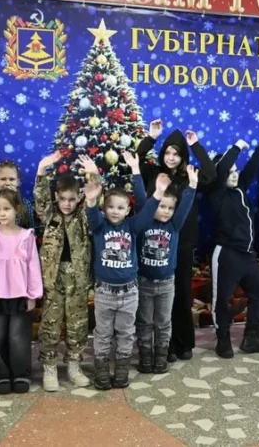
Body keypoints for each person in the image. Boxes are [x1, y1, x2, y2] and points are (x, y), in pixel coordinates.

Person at [136, 121, 217, 362]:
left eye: (176, 153)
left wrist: (196, 145)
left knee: (181, 293)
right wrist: (151, 138)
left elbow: (211, 175)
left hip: (182, 244)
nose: (171, 158)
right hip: (154, 244)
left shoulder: (188, 175)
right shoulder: (154, 173)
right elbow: (135, 160)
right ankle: (165, 344)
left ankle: (184, 342)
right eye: (168, 153)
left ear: (182, 156)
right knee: (159, 298)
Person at [84, 157, 157, 390]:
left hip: (129, 293)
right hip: (105, 292)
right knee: (103, 333)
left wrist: (157, 194)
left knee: (126, 333)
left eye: (120, 207)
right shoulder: (100, 226)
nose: (115, 211)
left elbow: (148, 212)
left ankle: (122, 368)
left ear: (127, 210)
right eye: (111, 207)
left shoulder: (132, 226)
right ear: (104, 209)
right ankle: (102, 369)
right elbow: (92, 215)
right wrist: (91, 201)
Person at [208, 132, 259, 359]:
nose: (234, 174)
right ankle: (223, 338)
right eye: (230, 172)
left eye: (236, 171)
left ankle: (251, 337)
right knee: (222, 298)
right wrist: (237, 146)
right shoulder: (217, 195)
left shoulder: (240, 189)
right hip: (227, 254)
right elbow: (222, 168)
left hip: (246, 256)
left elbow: (252, 166)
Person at [0, 188, 43, 394]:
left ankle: (21, 373)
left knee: (18, 337)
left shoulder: (26, 236)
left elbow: (33, 266)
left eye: (6, 209)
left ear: (17, 209)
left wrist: (33, 294)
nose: (2, 213)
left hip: (20, 294)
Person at [34, 152, 93, 391]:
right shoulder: (50, 215)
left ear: (78, 197)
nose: (67, 204)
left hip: (77, 278)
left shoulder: (83, 216)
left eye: (71, 199)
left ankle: (74, 366)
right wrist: (41, 169)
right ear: (56, 197)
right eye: (62, 199)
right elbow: (40, 199)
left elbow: (94, 197)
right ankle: (49, 367)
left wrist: (94, 174)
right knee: (50, 323)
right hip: (53, 278)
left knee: (78, 323)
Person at [134, 157, 198, 374]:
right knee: (144, 322)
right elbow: (141, 198)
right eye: (162, 206)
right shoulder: (144, 222)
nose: (166, 211)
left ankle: (161, 355)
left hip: (166, 284)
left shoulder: (174, 225)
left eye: (170, 208)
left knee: (163, 322)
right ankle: (145, 355)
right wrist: (135, 170)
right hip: (144, 283)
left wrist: (192, 186)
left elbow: (185, 206)